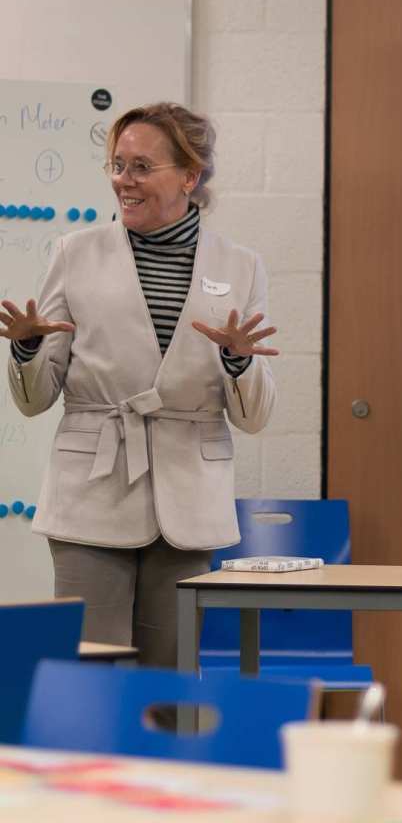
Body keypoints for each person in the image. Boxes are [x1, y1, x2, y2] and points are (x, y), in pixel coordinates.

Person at [1, 102, 277, 666]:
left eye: (142, 167)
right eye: (117, 164)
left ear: (189, 176)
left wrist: (238, 364)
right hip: (91, 494)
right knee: (89, 677)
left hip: (189, 499)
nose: (123, 181)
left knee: (168, 685)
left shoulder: (241, 267)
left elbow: (253, 417)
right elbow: (34, 400)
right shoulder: (74, 254)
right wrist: (27, 349)